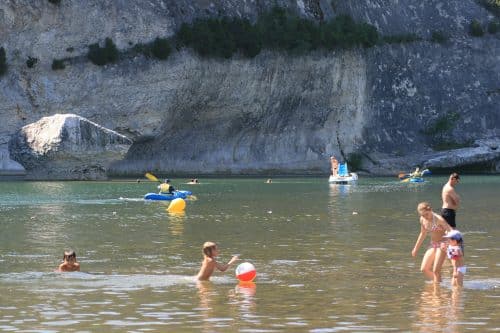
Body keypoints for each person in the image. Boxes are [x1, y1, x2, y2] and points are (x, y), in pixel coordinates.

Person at [411, 202, 452, 283]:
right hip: (433, 244)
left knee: (436, 270)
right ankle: (439, 283)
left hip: (442, 244)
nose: (425, 217)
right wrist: (415, 248)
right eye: (422, 215)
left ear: (430, 210)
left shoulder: (438, 219)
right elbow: (423, 233)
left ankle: (437, 289)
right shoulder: (422, 219)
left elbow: (451, 231)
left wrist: (447, 242)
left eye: (426, 214)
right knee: (424, 269)